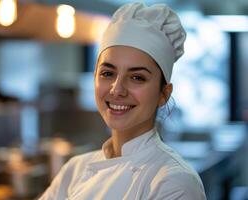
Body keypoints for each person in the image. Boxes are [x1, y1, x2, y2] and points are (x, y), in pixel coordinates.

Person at [39, 2, 206, 200]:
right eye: (108, 73)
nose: (117, 89)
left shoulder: (174, 183)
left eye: (137, 77)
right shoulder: (74, 170)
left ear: (164, 94)